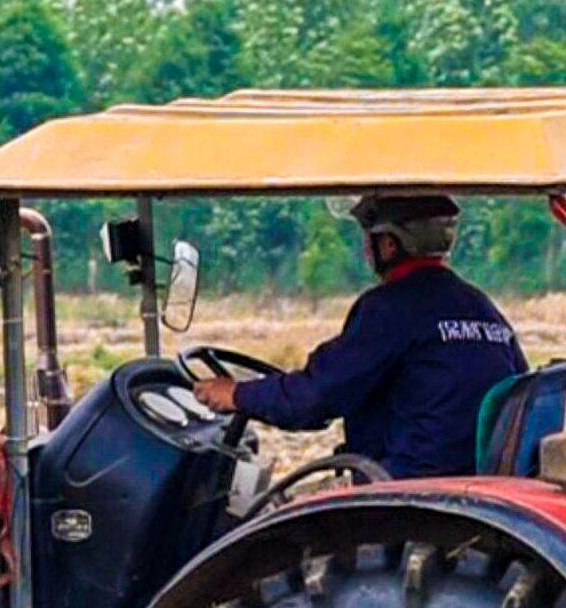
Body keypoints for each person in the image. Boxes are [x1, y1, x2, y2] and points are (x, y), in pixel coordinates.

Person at [190, 192, 528, 479]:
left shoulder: (388, 308)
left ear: (390, 244)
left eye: (370, 239)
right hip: (472, 484)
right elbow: (520, 388)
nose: (367, 250)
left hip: (403, 488)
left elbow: (317, 396)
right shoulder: (481, 307)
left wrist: (237, 395)